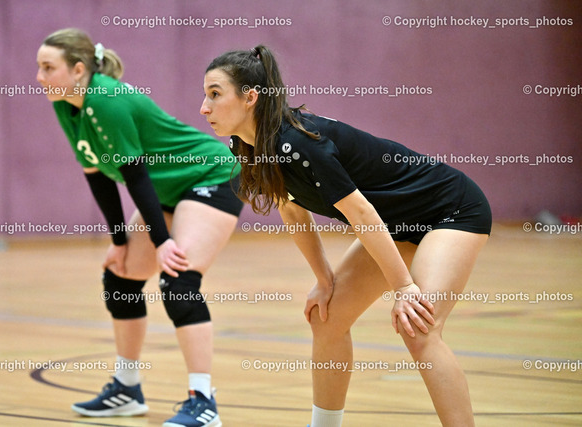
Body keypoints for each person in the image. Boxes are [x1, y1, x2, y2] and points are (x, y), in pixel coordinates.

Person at [200, 45, 491, 427]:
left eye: (215, 94)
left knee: (419, 328)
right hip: (393, 224)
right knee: (326, 318)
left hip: (449, 210)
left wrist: (404, 288)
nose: (204, 108)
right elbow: (292, 210)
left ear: (250, 97)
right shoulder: (250, 147)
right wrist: (324, 280)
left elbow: (362, 214)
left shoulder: (299, 143)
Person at [36, 28, 242, 427]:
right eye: (39, 67)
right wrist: (119, 241)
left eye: (48, 67)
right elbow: (97, 174)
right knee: (120, 274)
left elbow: (135, 175)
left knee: (178, 278)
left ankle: (203, 401)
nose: (39, 77)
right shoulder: (66, 103)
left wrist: (162, 242)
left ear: (77, 70)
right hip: (165, 190)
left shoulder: (106, 100)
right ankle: (127, 388)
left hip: (210, 175)